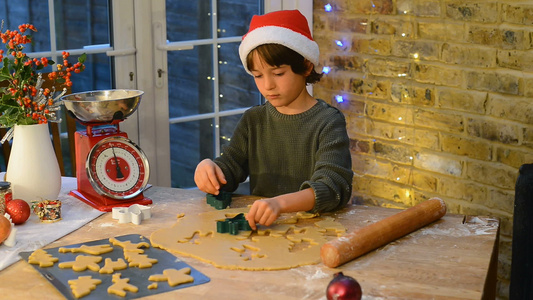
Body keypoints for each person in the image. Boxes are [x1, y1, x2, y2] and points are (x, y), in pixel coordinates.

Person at [194, 9, 353, 230]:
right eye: (258, 76)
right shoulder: (254, 120)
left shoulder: (328, 122)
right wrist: (209, 168)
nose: (267, 85)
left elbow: (333, 186)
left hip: (316, 232)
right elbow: (230, 167)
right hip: (265, 231)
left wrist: (280, 203)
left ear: (306, 66)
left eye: (278, 73)